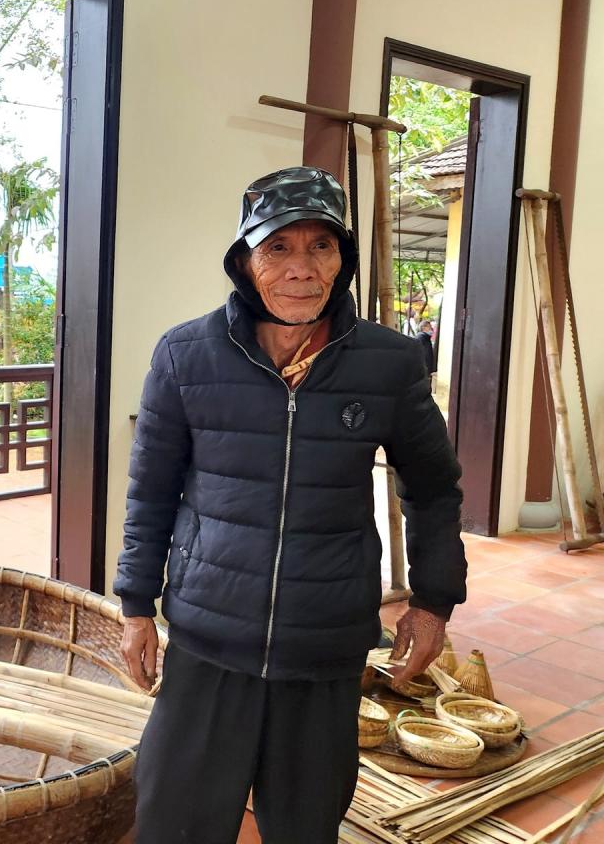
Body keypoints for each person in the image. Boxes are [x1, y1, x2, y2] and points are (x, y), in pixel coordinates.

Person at [114, 166, 466, 843]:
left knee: (306, 828)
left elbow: (432, 486)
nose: (301, 268)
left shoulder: (389, 363)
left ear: (344, 259)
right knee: (173, 823)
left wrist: (433, 600)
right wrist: (134, 605)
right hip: (209, 640)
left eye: (321, 246)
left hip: (324, 645)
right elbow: (151, 491)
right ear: (246, 261)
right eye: (278, 247)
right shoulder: (186, 356)